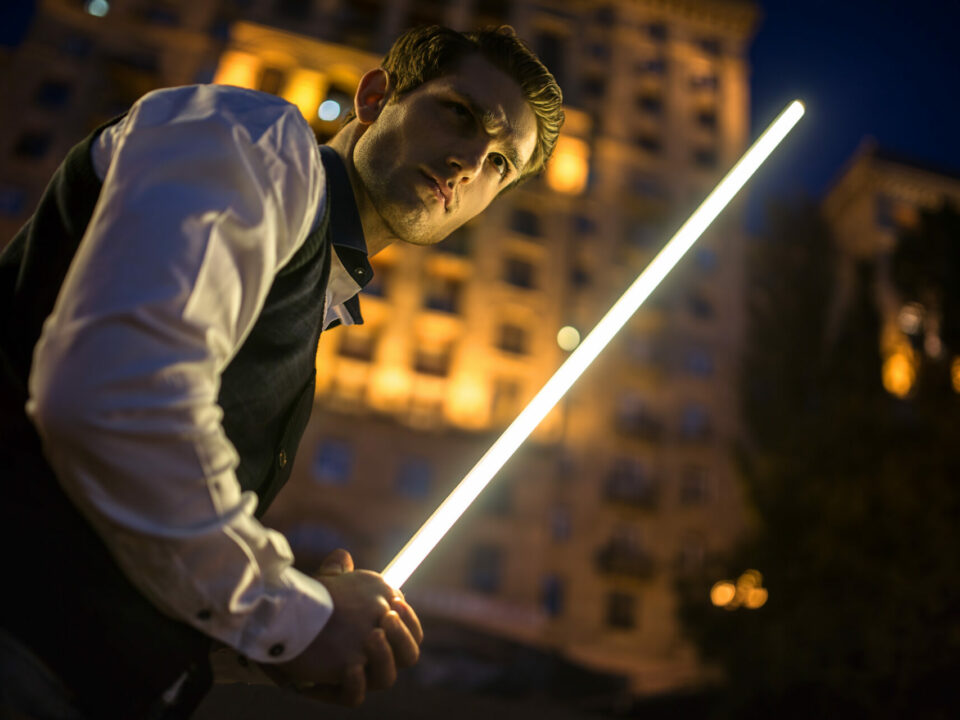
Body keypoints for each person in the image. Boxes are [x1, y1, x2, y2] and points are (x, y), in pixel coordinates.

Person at [0, 23, 563, 720]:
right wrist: (293, 618)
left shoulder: (311, 294)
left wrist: (269, 641)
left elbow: (117, 547)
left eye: (501, 163)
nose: (469, 161)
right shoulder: (256, 139)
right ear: (375, 96)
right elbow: (108, 402)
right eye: (457, 112)